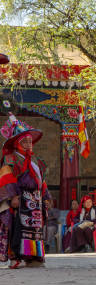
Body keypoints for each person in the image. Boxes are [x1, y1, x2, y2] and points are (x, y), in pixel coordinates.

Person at [0, 113, 51, 268]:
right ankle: (15, 256)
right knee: (17, 227)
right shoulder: (11, 159)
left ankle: (33, 256)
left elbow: (41, 181)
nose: (29, 143)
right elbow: (7, 177)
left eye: (30, 140)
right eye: (25, 141)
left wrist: (46, 196)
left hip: (35, 200)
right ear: (17, 143)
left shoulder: (36, 161)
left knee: (35, 229)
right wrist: (12, 197)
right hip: (20, 199)